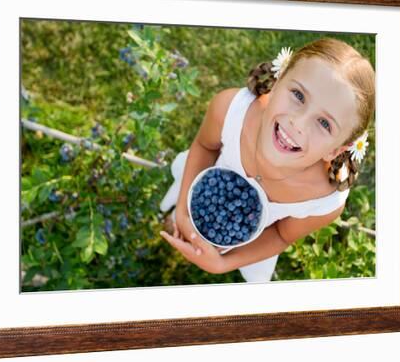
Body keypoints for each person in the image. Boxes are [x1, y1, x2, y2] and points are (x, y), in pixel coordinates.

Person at [158, 37, 375, 282]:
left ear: (336, 150)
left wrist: (222, 263)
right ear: (278, 81)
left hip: (251, 242)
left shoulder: (324, 200)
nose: (298, 123)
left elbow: (282, 235)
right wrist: (186, 210)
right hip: (202, 190)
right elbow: (204, 146)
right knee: (178, 217)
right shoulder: (230, 110)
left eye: (324, 123)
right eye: (298, 95)